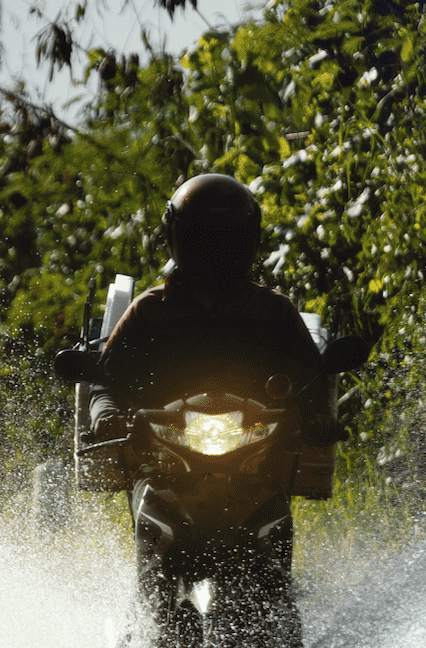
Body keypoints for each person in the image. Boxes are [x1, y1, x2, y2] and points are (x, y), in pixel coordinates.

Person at [87, 174, 340, 608]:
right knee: (151, 568)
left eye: (226, 241)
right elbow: (108, 378)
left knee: (275, 576)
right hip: (166, 465)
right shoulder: (150, 310)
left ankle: (281, 628)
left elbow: (311, 376)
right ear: (176, 240)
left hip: (254, 466)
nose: (214, 253)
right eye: (203, 240)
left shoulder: (274, 311)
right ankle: (146, 618)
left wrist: (318, 415)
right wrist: (105, 413)